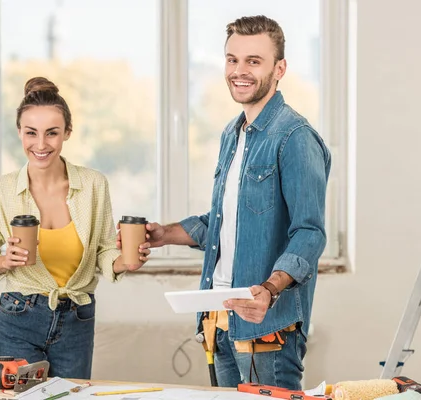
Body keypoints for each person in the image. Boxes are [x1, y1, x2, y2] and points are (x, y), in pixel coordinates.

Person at [134, 16, 331, 389]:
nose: (239, 71)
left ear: (279, 68)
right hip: (220, 321)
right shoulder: (232, 133)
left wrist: (270, 290)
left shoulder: (295, 137)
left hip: (266, 329)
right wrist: (165, 234)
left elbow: (309, 232)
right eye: (231, 59)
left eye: (253, 61)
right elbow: (224, 222)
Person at [0, 77, 150, 379]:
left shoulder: (93, 184)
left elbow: (105, 250)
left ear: (67, 132)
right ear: (19, 132)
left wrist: (124, 261)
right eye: (31, 133)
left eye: (52, 133)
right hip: (19, 315)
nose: (40, 145)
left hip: (77, 317)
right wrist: (4, 261)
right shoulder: (0, 189)